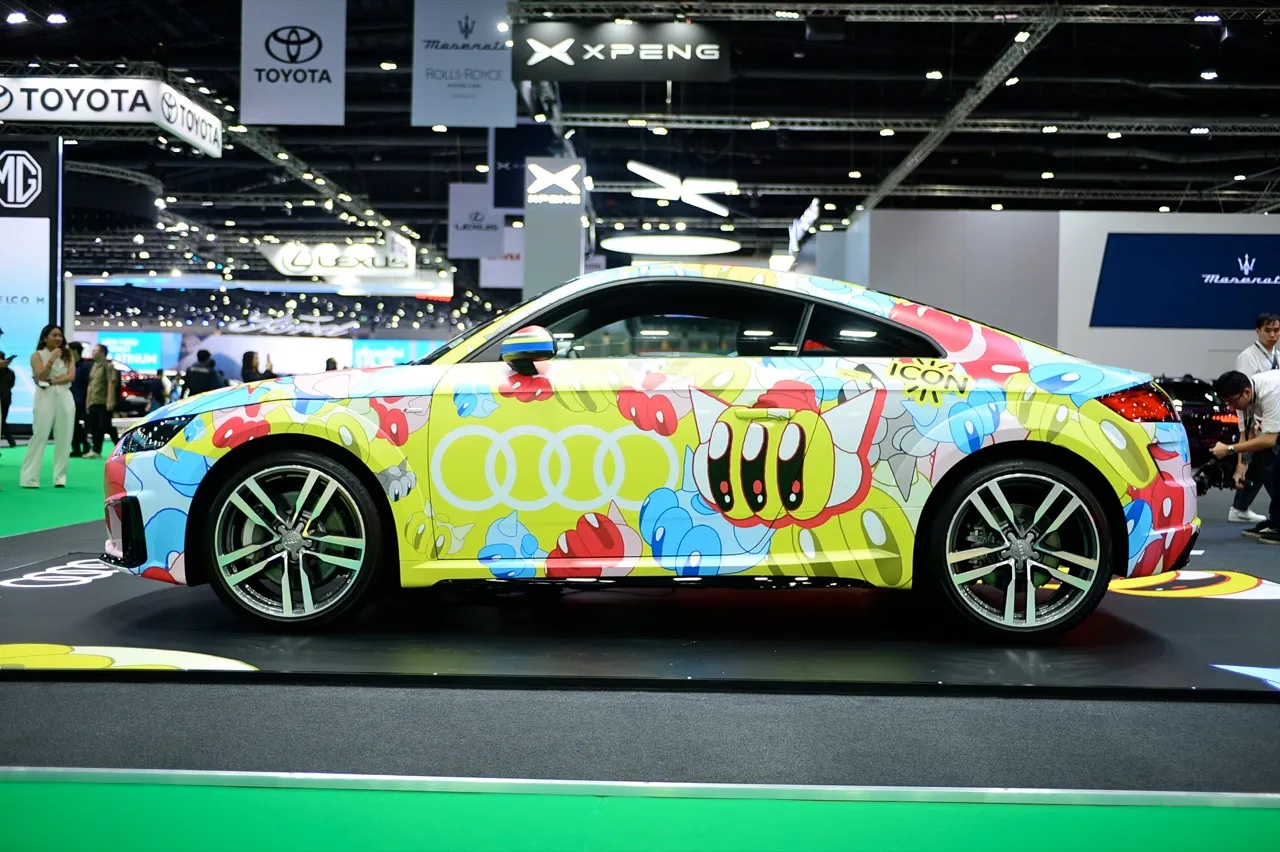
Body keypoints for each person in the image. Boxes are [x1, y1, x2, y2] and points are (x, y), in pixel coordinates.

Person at [1212, 368, 1280, 544]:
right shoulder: (1243, 396)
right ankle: (1276, 521)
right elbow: (1247, 434)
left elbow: (1270, 439)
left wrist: (1229, 449)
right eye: (1227, 403)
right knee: (1268, 466)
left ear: (1247, 392)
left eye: (1232, 402)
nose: (1231, 407)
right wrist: (1241, 468)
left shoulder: (1271, 391)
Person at [1228, 312, 1280, 524]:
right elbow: (1241, 395)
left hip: (1270, 417)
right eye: (1267, 330)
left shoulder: (1277, 356)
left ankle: (1240, 507)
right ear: (1257, 331)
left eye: (1276, 330)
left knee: (1262, 464)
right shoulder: (1247, 357)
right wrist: (1244, 433)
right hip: (1255, 419)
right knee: (1267, 463)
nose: (1272, 335)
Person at [19, 324, 76, 488]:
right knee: (40, 434)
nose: (58, 338)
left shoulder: (68, 354)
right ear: (45, 338)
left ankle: (60, 477)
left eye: (60, 335)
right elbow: (40, 376)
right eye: (54, 335)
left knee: (65, 437)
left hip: (65, 395)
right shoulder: (37, 355)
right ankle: (29, 478)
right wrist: (51, 359)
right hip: (44, 396)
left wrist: (52, 380)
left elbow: (71, 376)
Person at [83, 343, 119, 460]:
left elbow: (111, 383)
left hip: (104, 402)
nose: (93, 352)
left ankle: (120, 447)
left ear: (102, 353)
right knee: (95, 427)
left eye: (95, 350)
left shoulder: (108, 366)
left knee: (106, 426)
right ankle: (96, 450)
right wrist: (88, 400)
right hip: (94, 401)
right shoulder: (93, 366)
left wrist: (110, 400)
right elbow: (90, 385)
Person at [68, 341, 91, 457]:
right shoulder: (69, 365)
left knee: (77, 425)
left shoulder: (85, 366)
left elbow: (87, 384)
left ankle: (85, 445)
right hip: (70, 398)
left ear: (75, 351)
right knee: (72, 425)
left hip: (81, 399)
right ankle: (76, 448)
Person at [0, 347, 16, 449]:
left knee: (2, 421)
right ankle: (11, 440)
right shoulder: (10, 372)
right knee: (2, 422)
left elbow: (11, 385)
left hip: (5, 400)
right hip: (6, 398)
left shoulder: (10, 373)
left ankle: (11, 440)